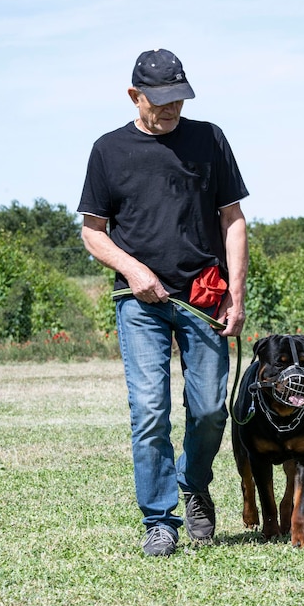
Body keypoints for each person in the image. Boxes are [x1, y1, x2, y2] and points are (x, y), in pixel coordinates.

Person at [77, 48, 249, 557]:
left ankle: (193, 484)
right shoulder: (108, 150)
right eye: (162, 100)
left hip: (204, 296)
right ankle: (159, 519)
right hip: (139, 301)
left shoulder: (209, 138)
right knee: (150, 411)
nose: (172, 108)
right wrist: (133, 270)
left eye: (180, 98)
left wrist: (236, 297)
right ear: (135, 95)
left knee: (211, 408)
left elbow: (232, 219)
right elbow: (93, 233)